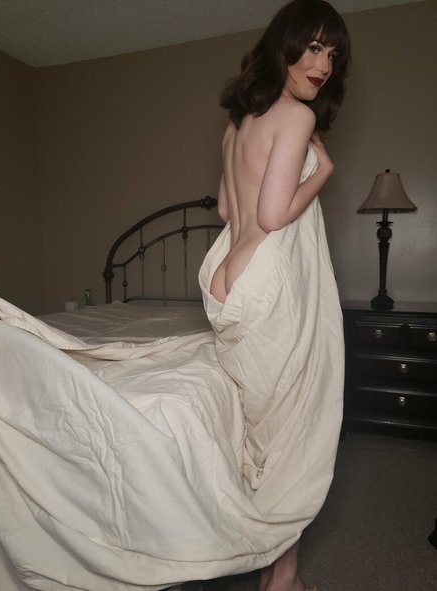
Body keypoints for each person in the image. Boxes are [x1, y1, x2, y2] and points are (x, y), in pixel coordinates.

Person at [207, 1, 351, 590]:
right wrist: (322, 173)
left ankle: (273, 567)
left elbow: (226, 208)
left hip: (223, 278)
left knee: (260, 429)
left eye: (333, 54)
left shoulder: (237, 124)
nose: (324, 65)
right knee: (292, 433)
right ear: (283, 46)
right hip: (263, 281)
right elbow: (272, 216)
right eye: (313, 47)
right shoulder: (296, 117)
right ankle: (282, 580)